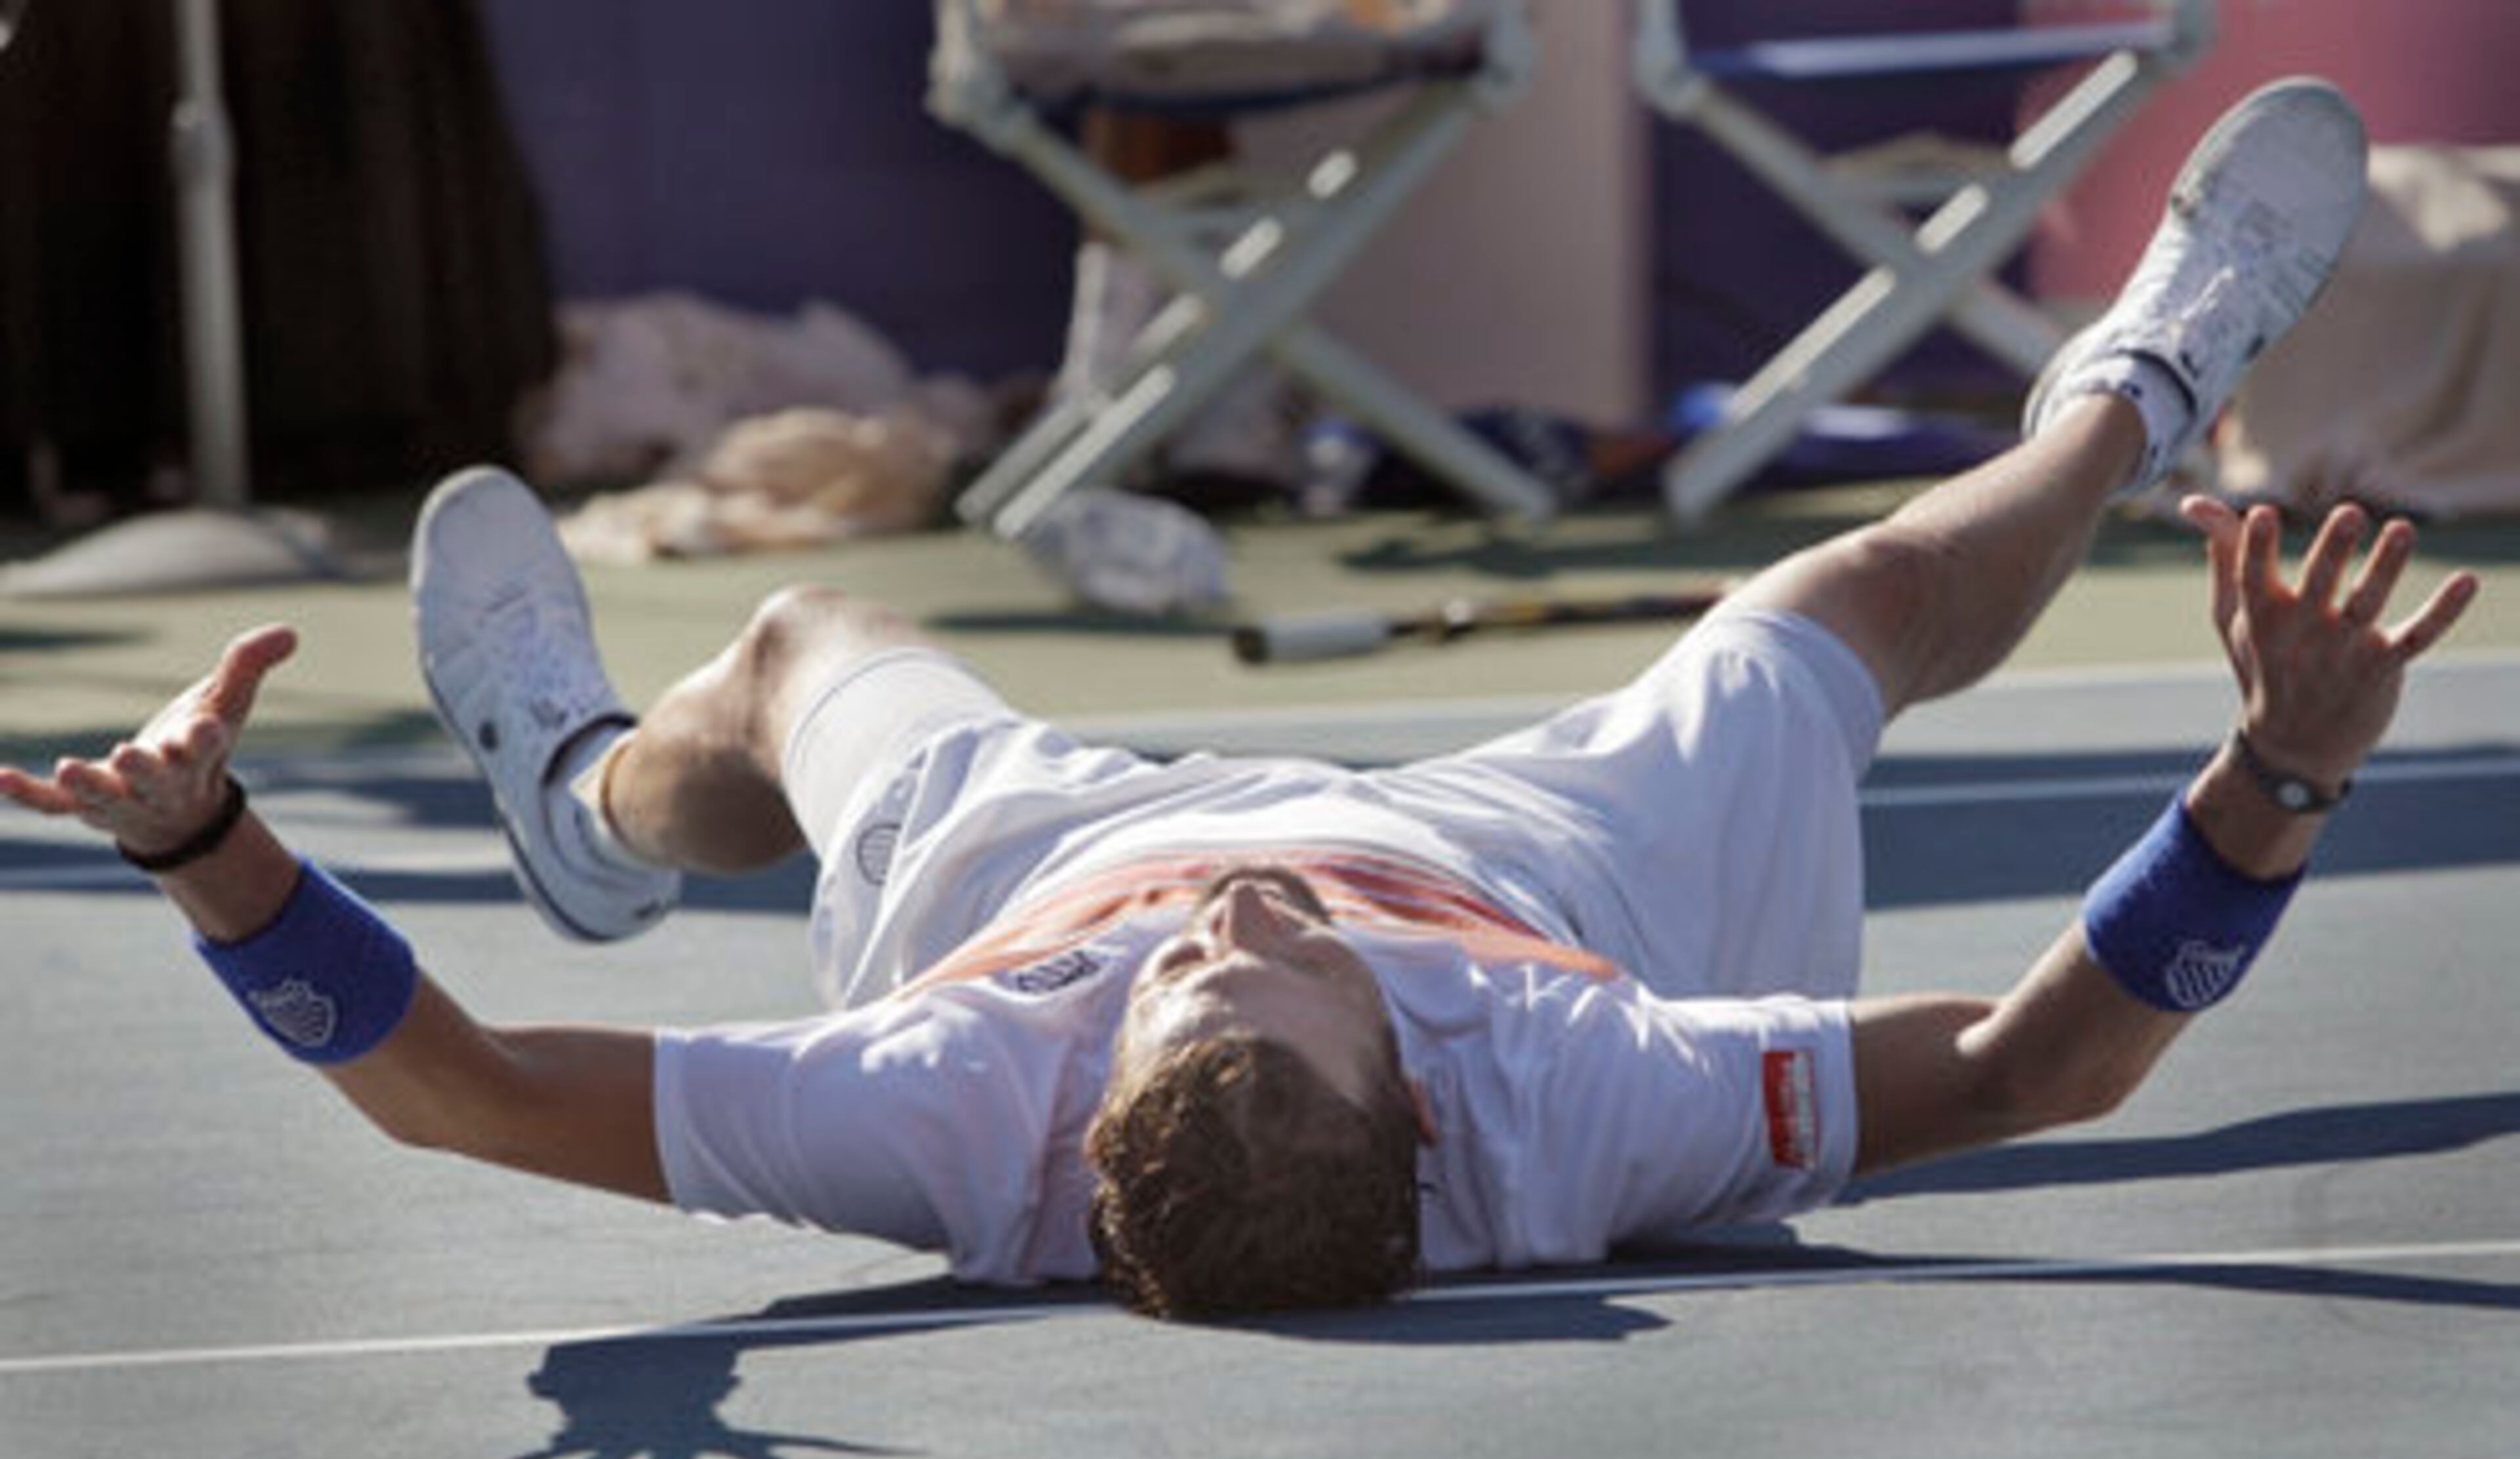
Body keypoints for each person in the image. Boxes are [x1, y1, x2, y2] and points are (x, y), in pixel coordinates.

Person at [0, 80, 2480, 1321]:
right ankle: (2146, 379)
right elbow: (2043, 1069)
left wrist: (219, 859)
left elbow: (467, 1095)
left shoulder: (958, 1103)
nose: (1244, 907)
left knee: (796, 647)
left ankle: (581, 801)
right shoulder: (1583, 1096)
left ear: (1095, 1105)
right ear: (1426, 1102)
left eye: (1207, 972)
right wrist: (2276, 775)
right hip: (1552, 876)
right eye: (1280, 965)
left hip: (1016, 871)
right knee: (1827, 607)